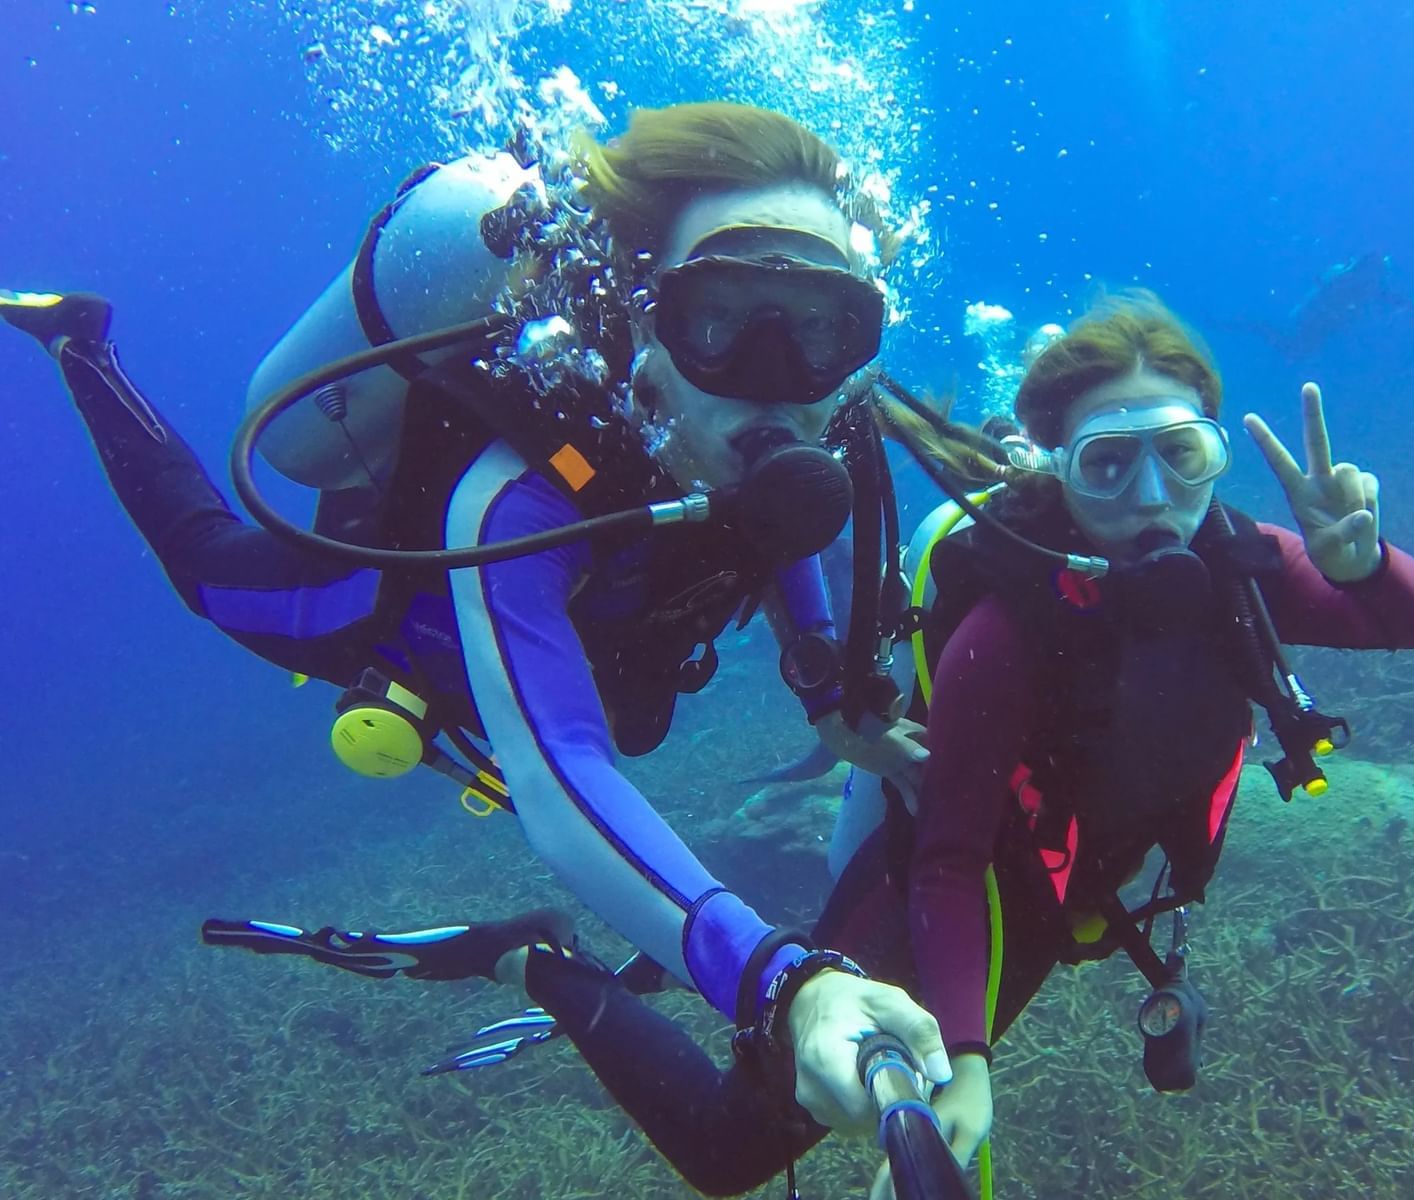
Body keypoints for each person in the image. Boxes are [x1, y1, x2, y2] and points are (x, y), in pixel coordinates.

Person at [203, 291, 1414, 1195]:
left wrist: (1358, 559)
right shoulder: (1005, 633)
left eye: (1178, 457)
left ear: (1214, 454)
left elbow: (1407, 622)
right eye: (1105, 466)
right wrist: (960, 1057)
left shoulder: (1242, 566)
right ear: (1053, 474)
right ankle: (538, 960)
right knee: (736, 1152)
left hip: (1080, 879)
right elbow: (951, 855)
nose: (1149, 504)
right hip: (961, 889)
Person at [0, 101, 950, 1134]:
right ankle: (85, 352)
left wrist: (830, 704)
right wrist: (779, 979)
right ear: (639, 317)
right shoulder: (515, 502)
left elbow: (778, 535)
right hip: (386, 610)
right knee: (204, 568)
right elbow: (561, 774)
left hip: (610, 624)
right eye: (719, 316)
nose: (776, 376)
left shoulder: (819, 432)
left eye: (821, 327)